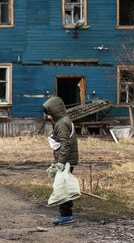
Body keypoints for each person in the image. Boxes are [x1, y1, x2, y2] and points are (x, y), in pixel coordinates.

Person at [43, 96, 79, 226]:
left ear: (55, 111)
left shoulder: (61, 123)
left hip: (66, 160)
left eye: (49, 114)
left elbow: (66, 143)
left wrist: (61, 162)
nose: (48, 117)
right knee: (64, 185)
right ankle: (66, 214)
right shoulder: (62, 121)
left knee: (62, 187)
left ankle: (66, 216)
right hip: (67, 159)